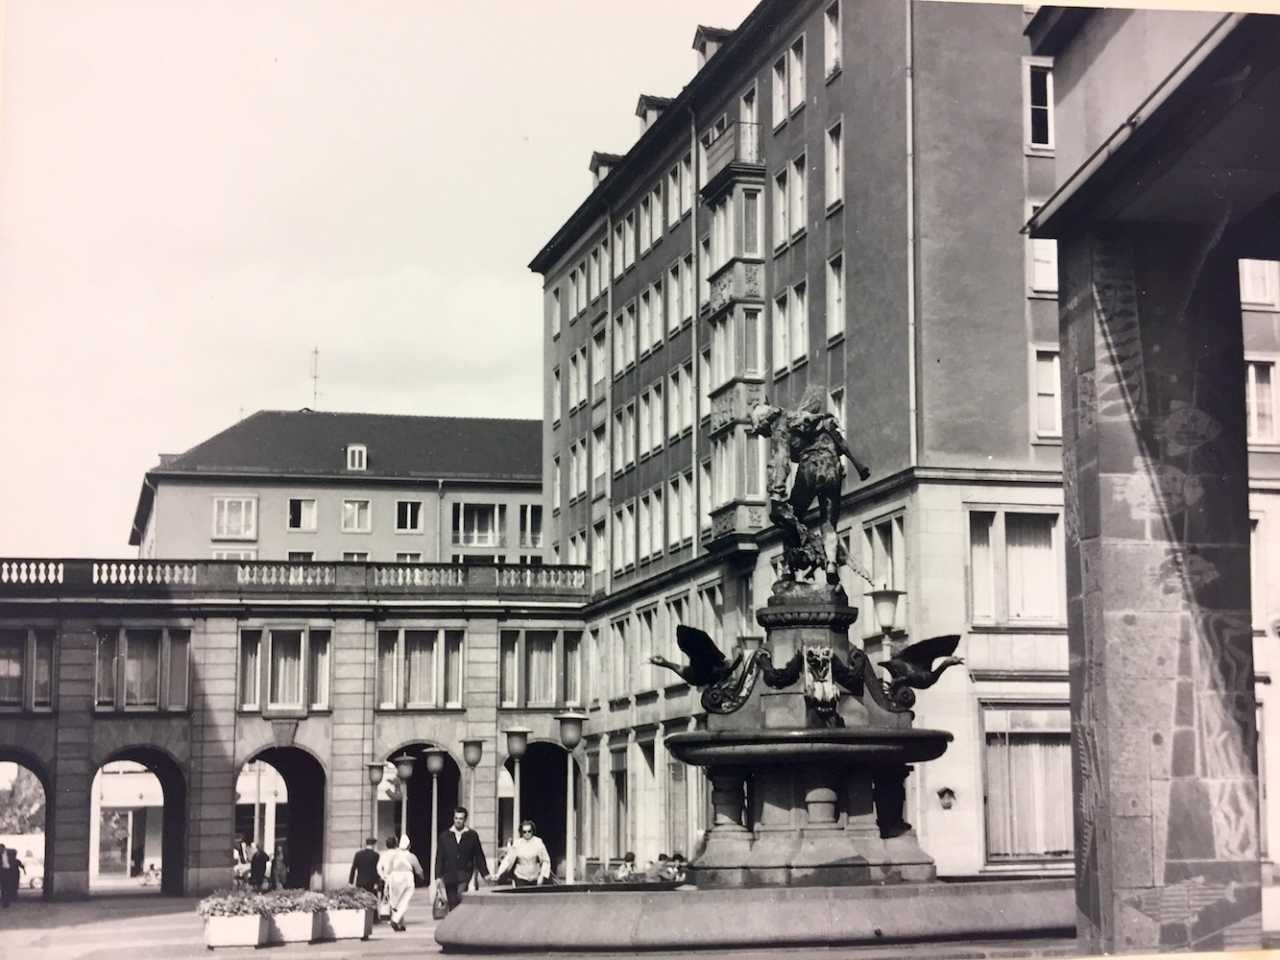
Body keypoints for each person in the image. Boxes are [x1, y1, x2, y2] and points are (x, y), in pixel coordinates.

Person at [434, 806, 489, 910]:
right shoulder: (445, 836)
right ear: (453, 819)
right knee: (452, 902)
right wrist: (437, 876)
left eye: (460, 819)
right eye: (456, 818)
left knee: (460, 895)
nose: (458, 821)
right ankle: (454, 923)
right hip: (449, 873)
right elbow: (439, 857)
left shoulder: (472, 835)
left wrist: (485, 873)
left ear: (465, 820)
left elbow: (479, 855)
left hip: (464, 872)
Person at [378, 835, 423, 932]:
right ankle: (395, 920)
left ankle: (401, 924)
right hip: (407, 877)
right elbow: (419, 870)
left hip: (394, 877)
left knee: (396, 902)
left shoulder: (394, 855)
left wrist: (386, 879)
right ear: (409, 846)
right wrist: (422, 878)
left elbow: (387, 868)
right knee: (405, 900)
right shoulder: (411, 856)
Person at [491, 820, 550, 887]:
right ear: (521, 832)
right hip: (520, 878)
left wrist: (542, 876)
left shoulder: (538, 842)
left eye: (529, 831)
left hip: (535, 878)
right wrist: (499, 874)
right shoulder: (517, 843)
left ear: (533, 831)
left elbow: (546, 860)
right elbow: (508, 860)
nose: (527, 833)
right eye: (524, 832)